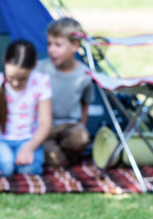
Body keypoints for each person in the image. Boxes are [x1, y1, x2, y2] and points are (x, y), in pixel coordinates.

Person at [0, 40, 52, 177]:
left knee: (29, 170)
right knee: (5, 167)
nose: (15, 83)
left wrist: (29, 148)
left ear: (34, 66)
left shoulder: (41, 81)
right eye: (11, 77)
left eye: (22, 78)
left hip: (28, 139)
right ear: (4, 61)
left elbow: (45, 123)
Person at [36, 17, 94, 167]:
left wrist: (82, 125)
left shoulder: (84, 75)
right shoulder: (39, 70)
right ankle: (63, 161)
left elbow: (85, 104)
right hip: (44, 128)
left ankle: (64, 158)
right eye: (49, 44)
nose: (52, 50)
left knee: (80, 137)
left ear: (75, 46)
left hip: (69, 127)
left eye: (58, 45)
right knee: (53, 157)